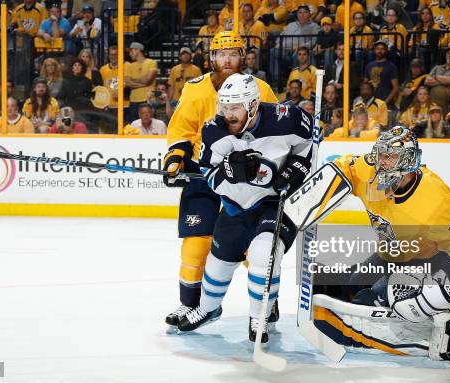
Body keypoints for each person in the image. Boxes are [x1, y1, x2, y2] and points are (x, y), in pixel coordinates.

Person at [176, 73, 312, 343]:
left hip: (276, 202)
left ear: (253, 105)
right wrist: (230, 173)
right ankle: (207, 309)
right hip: (236, 206)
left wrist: (296, 170)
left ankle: (258, 316)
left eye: (234, 107)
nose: (228, 114)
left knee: (264, 254)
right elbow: (209, 178)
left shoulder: (289, 118)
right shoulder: (214, 131)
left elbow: (307, 147)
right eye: (224, 107)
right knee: (217, 265)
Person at [162, 31, 278, 329]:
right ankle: (191, 304)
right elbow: (182, 131)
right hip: (205, 175)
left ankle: (267, 302)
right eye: (220, 54)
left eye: (233, 54)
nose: (226, 59)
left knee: (258, 246)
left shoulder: (261, 88)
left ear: (243, 57)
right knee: (196, 242)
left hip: (247, 182)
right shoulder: (194, 90)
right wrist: (176, 159)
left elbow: (275, 132)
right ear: (211, 58)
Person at [309, 127, 450, 357]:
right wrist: (322, 185)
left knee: (367, 302)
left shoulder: (435, 202)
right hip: (391, 254)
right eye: (380, 154)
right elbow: (344, 166)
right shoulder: (369, 171)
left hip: (423, 263)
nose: (381, 162)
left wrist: (439, 293)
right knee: (351, 283)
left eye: (389, 156)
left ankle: (419, 330)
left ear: (408, 161)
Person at [124, 41, 158, 123]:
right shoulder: (129, 65)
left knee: (150, 125)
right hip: (134, 101)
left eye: (131, 51)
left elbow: (148, 80)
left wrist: (134, 80)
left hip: (148, 99)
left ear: (137, 50)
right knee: (134, 126)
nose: (130, 54)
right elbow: (127, 83)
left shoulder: (151, 62)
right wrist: (143, 82)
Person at [425, 45, 450, 110]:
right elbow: (427, 81)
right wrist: (444, 81)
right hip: (432, 103)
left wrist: (436, 77)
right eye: (448, 53)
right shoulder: (437, 67)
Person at [365, 40, 399, 107]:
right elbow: (365, 84)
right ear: (374, 50)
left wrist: (385, 103)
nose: (379, 51)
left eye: (382, 49)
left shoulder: (391, 66)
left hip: (385, 101)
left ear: (386, 51)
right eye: (377, 49)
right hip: (371, 102)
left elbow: (395, 87)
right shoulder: (369, 65)